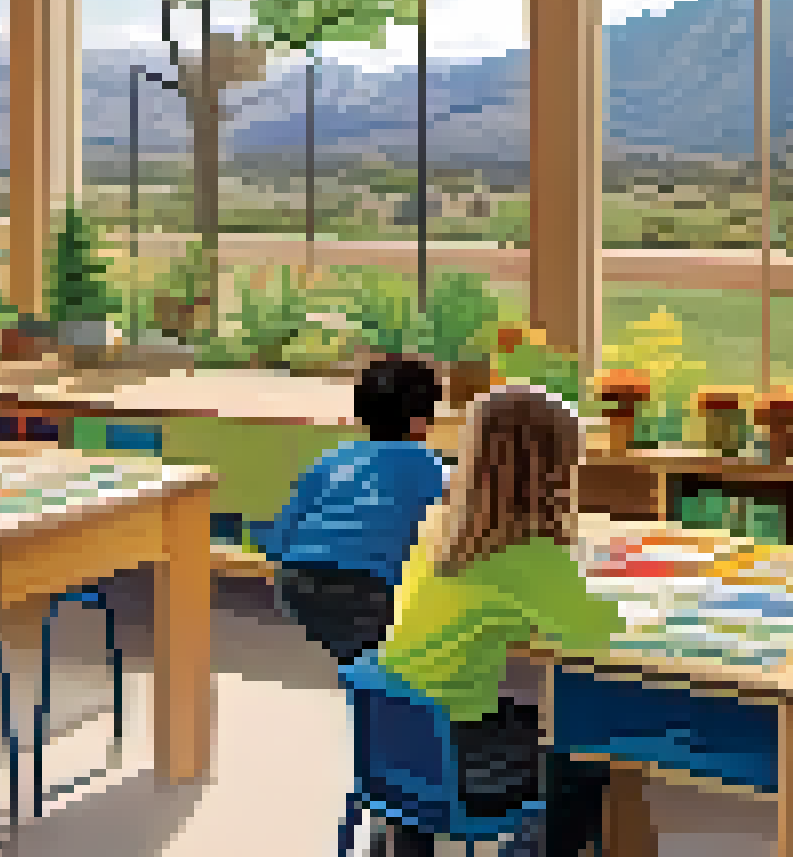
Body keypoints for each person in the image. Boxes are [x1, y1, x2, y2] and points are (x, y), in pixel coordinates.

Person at [374, 385, 622, 857]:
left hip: (397, 744)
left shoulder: (435, 527)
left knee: (523, 714)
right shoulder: (533, 555)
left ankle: (406, 836)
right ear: (554, 473)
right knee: (587, 751)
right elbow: (597, 634)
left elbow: (486, 610)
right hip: (463, 759)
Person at [250, 354, 448, 667]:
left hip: (299, 582)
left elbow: (281, 538)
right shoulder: (432, 469)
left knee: (357, 656)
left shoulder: (331, 460)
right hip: (371, 590)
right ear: (422, 420)